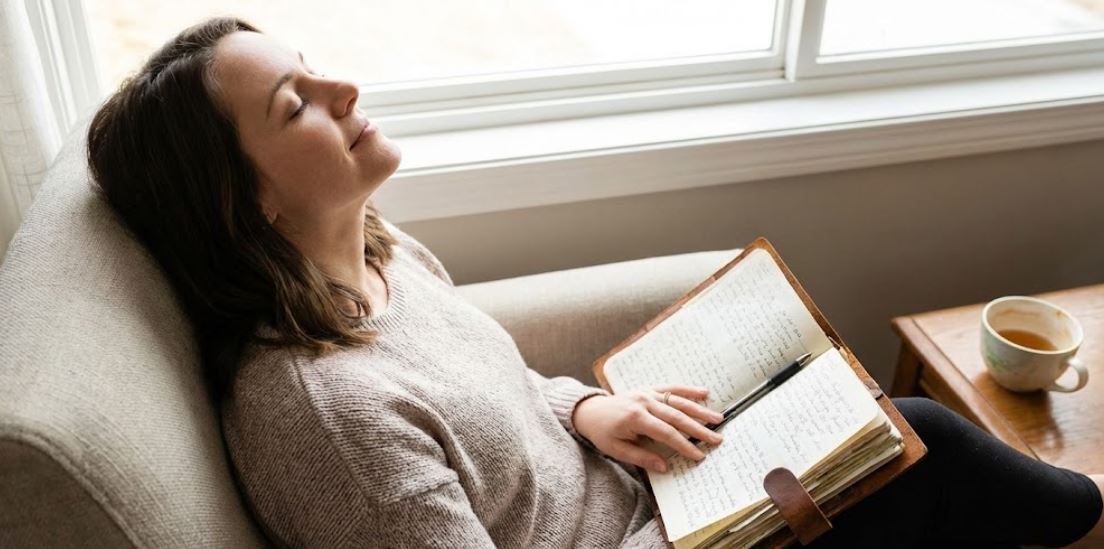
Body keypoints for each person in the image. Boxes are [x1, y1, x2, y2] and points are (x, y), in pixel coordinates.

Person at [85, 16, 1102, 549]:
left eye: (311, 65)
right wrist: (726, 523)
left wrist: (585, 411)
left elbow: (490, 401)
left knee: (855, 412)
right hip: (669, 535)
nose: (343, 87)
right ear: (243, 202)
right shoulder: (329, 427)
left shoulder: (374, 261)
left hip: (652, 497)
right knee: (927, 444)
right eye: (295, 102)